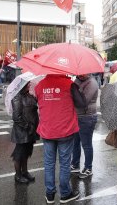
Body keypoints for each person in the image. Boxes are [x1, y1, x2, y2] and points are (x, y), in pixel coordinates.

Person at [35, 74, 80, 204]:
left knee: (49, 163)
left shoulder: (40, 85)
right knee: (65, 163)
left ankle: (49, 194)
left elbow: (38, 101)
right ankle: (65, 194)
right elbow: (81, 103)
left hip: (47, 130)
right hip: (65, 130)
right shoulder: (69, 84)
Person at [70, 73, 99, 179]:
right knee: (75, 143)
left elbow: (82, 102)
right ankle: (75, 164)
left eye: (83, 73)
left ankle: (88, 168)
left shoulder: (92, 83)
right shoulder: (77, 80)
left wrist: (73, 88)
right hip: (76, 116)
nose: (81, 75)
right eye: (79, 74)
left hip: (87, 117)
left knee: (86, 144)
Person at [10, 83, 39, 184]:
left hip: (31, 130)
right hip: (22, 132)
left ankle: (25, 172)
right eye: (28, 84)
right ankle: (18, 175)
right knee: (19, 154)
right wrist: (28, 126)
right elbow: (17, 117)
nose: (29, 86)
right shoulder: (17, 98)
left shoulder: (29, 96)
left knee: (27, 152)